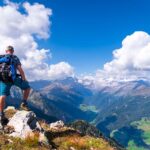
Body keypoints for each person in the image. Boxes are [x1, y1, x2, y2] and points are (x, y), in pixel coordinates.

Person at [0, 46, 31, 129]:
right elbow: (20, 70)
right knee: (27, 88)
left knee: (2, 96)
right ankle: (23, 103)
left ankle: (1, 114)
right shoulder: (14, 58)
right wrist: (24, 79)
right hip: (14, 79)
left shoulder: (1, 57)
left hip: (3, 80)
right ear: (12, 51)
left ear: (6, 51)